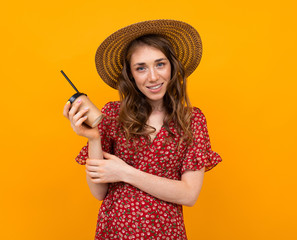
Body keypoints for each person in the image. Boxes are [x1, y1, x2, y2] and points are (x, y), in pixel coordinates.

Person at [63, 19, 222, 240]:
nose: (153, 77)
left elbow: (189, 194)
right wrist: (93, 138)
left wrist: (125, 173)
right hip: (115, 232)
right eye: (141, 68)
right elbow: (99, 192)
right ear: (131, 75)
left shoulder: (192, 120)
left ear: (172, 67)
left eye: (160, 64)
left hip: (166, 234)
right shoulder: (112, 115)